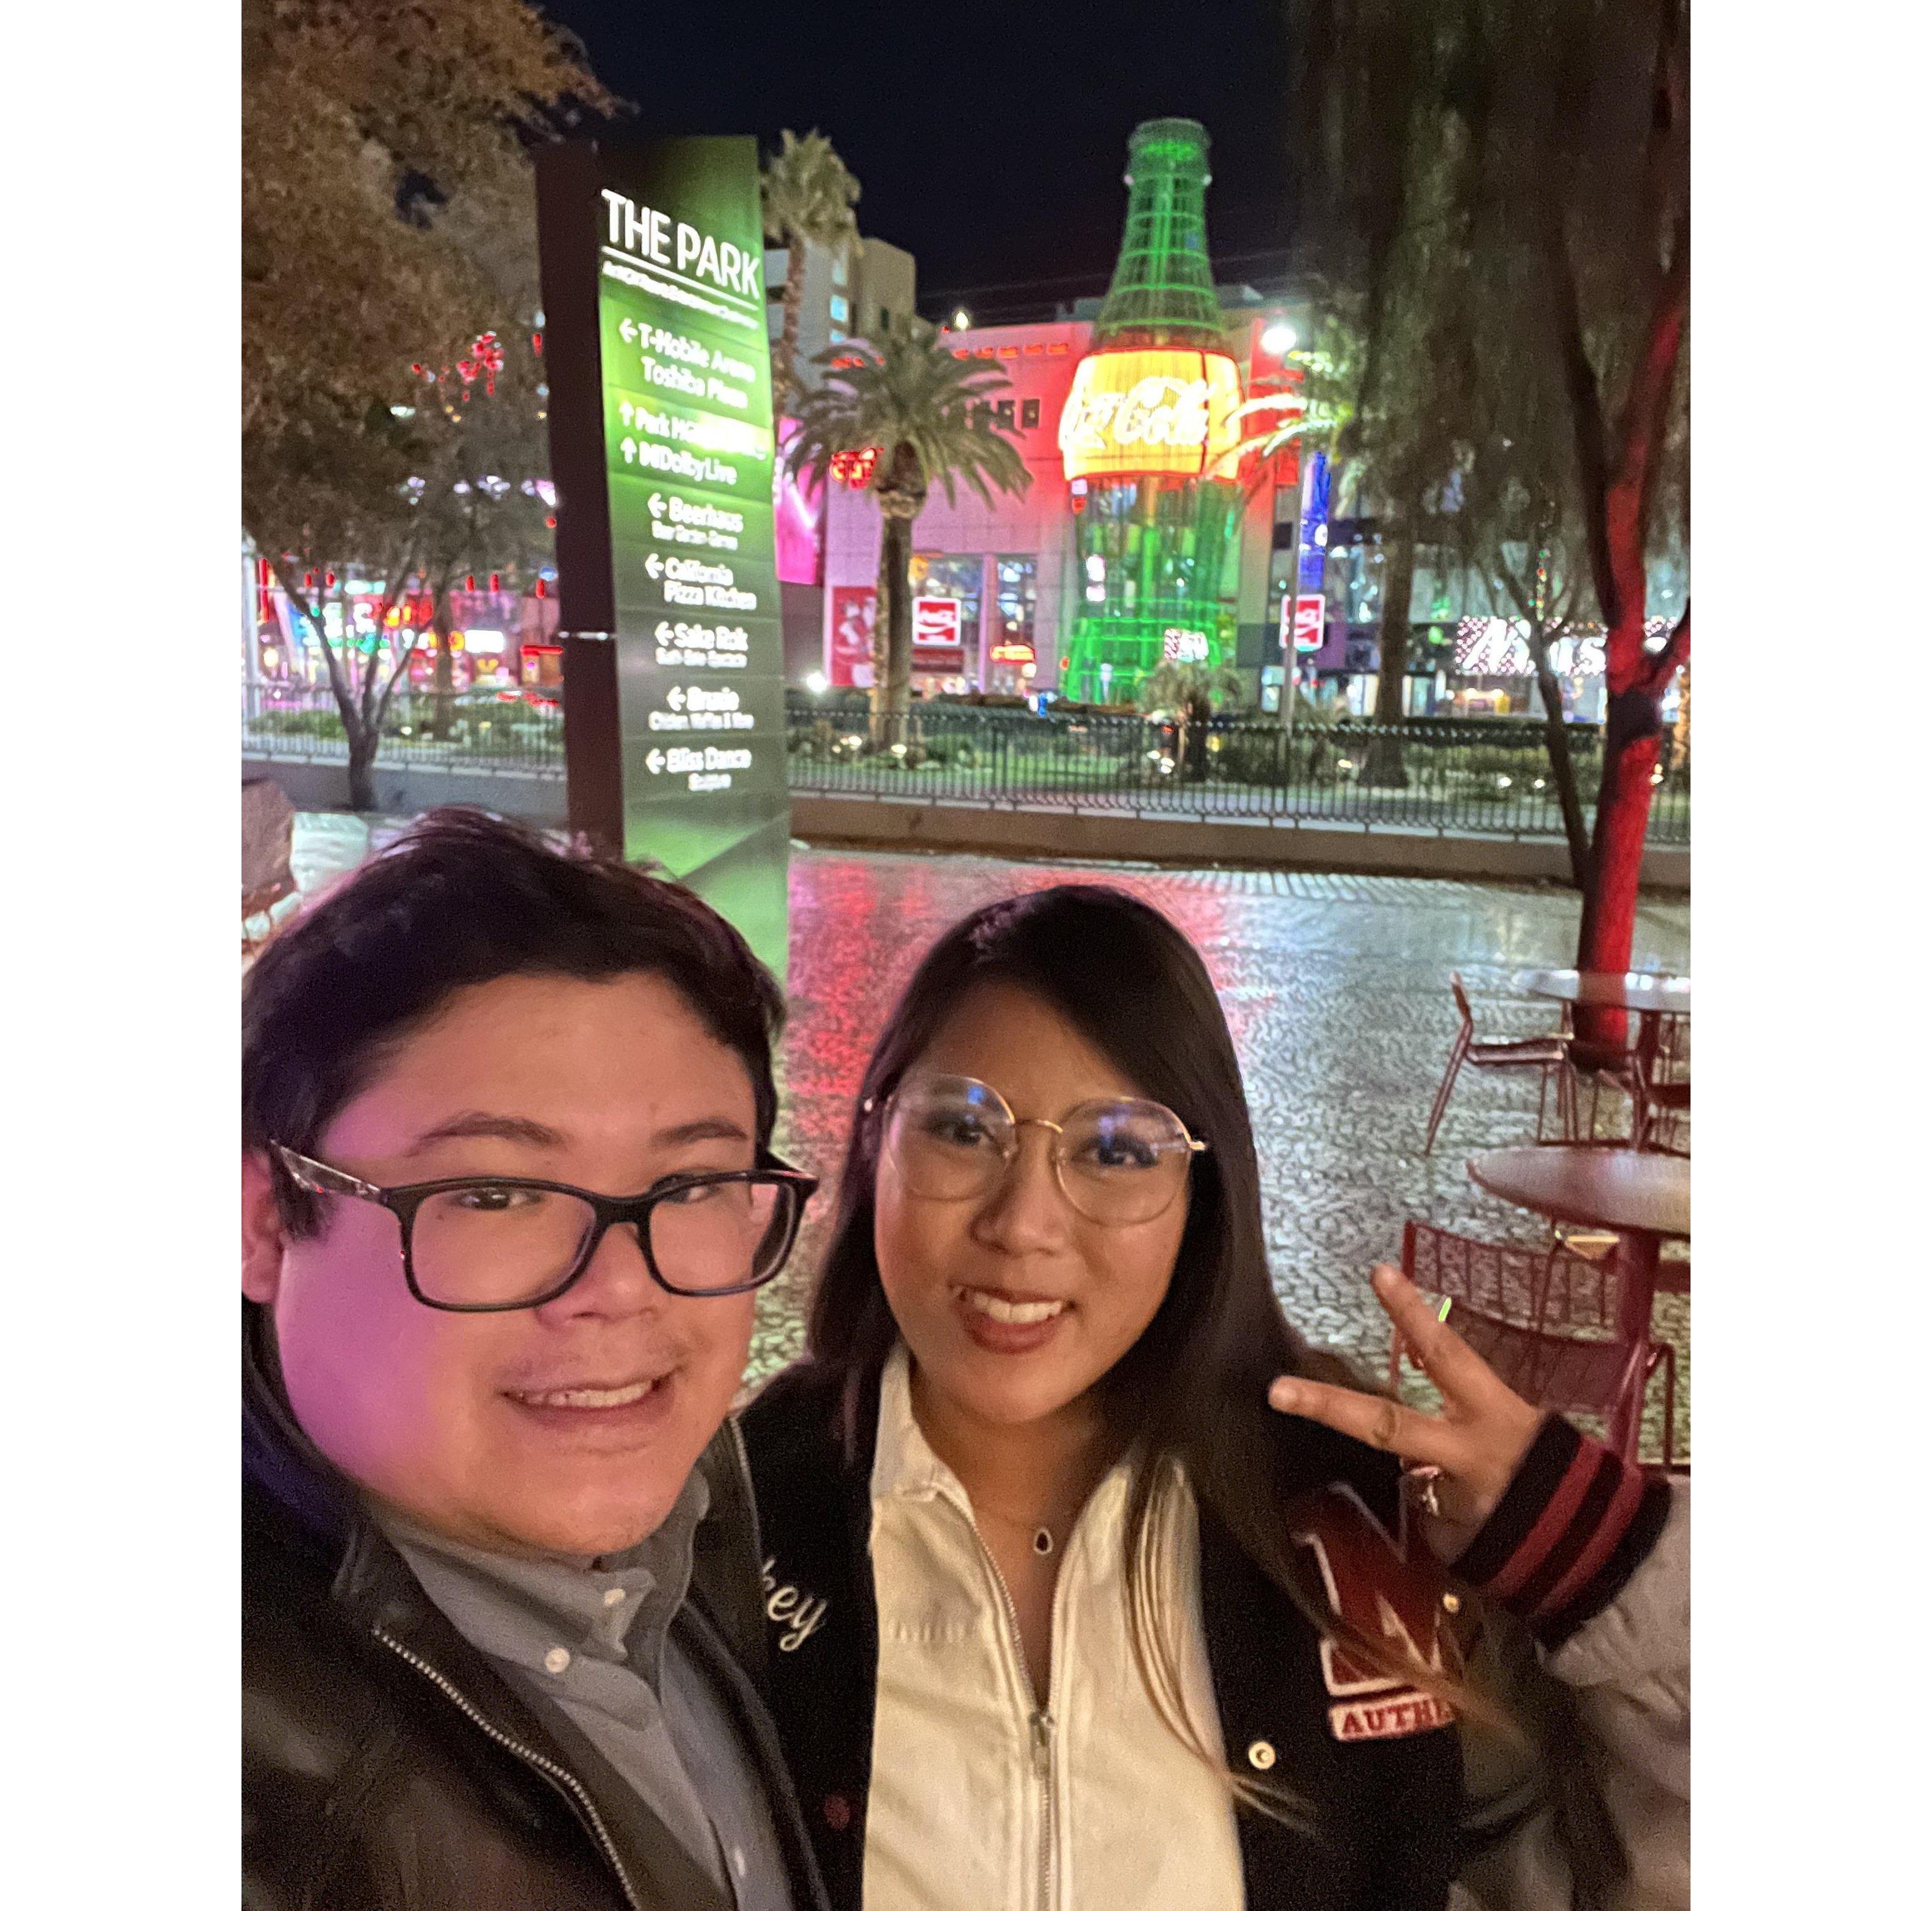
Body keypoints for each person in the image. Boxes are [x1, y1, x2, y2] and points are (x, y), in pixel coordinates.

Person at [741, 885, 1687, 1911]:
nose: (1022, 1225)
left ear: (1203, 1194)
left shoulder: (1368, 1532)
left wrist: (1602, 1556)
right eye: (963, 1130)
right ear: (875, 1142)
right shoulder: (727, 1534)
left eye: (1114, 1150)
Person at [242, 809, 831, 1911]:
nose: (620, 1287)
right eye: (497, 1193)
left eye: (692, 1186)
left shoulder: (703, 1526)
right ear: (265, 1220)